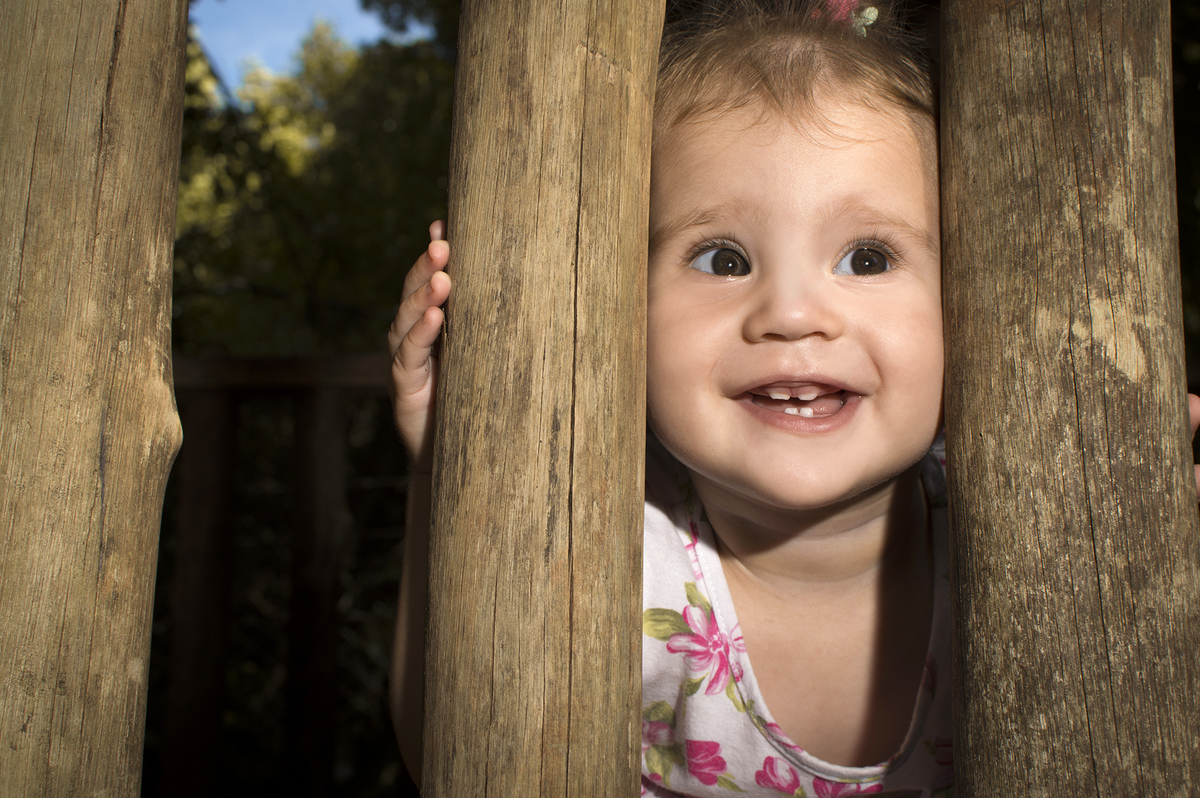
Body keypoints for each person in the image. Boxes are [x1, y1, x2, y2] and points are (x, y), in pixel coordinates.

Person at [387, 1, 1200, 795]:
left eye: (869, 259)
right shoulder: (613, 555)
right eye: (723, 259)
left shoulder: (1031, 530)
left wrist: (1152, 562)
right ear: (615, 305)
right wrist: (454, 476)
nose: (792, 315)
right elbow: (457, 755)